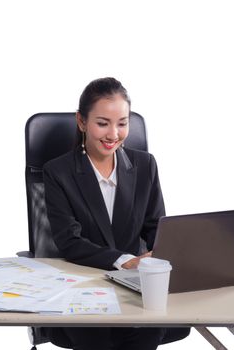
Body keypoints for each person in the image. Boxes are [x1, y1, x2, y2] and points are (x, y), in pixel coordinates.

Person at [43, 77, 166, 350]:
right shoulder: (58, 172)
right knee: (96, 337)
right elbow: (69, 241)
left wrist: (160, 254)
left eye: (122, 123)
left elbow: (157, 227)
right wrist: (125, 260)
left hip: (136, 287)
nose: (113, 134)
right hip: (82, 285)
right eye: (102, 123)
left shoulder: (145, 165)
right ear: (81, 122)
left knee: (149, 331)